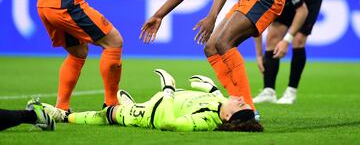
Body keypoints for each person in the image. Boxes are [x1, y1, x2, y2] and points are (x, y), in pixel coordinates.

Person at [140, 0, 286, 111]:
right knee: (211, 48)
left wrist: (212, 16)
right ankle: (236, 105)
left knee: (224, 42)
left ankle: (248, 110)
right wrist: (159, 15)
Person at [37, 0, 152, 122]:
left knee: (78, 52)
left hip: (45, 3)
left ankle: (61, 108)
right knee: (114, 41)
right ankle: (111, 105)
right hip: (66, 3)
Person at [67, 69, 263, 132]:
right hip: (162, 99)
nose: (241, 98)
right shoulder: (221, 105)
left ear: (228, 116)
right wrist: (212, 88)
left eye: (240, 103)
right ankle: (130, 104)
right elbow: (218, 100)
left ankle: (63, 116)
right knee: (120, 105)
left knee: (109, 113)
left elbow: (169, 122)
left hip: (150, 114)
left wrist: (168, 89)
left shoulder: (204, 120)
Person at [253, 0, 323, 104]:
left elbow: (302, 10)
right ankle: (269, 91)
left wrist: (287, 40)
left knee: (298, 39)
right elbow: (255, 21)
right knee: (272, 37)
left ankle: (291, 92)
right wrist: (259, 54)